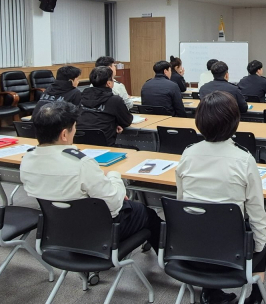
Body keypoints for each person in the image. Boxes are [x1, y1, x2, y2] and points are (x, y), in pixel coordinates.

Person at [20, 101, 161, 253]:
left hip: (57, 230)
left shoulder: (27, 160)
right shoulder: (80, 163)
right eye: (74, 127)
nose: (75, 131)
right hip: (99, 233)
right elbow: (114, 206)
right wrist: (115, 178)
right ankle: (166, 257)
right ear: (64, 134)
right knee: (147, 214)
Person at [176, 91, 266, 304]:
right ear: (235, 122)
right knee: (260, 233)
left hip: (189, 249)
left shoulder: (187, 154)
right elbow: (257, 214)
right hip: (233, 254)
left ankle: (210, 292)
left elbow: (182, 203)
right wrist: (258, 247)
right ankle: (255, 297)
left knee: (205, 221)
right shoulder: (244, 159)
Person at [77, 66, 133, 146]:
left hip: (80, 143)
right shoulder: (115, 100)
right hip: (105, 145)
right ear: (108, 83)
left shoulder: (80, 96)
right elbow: (127, 121)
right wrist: (116, 124)